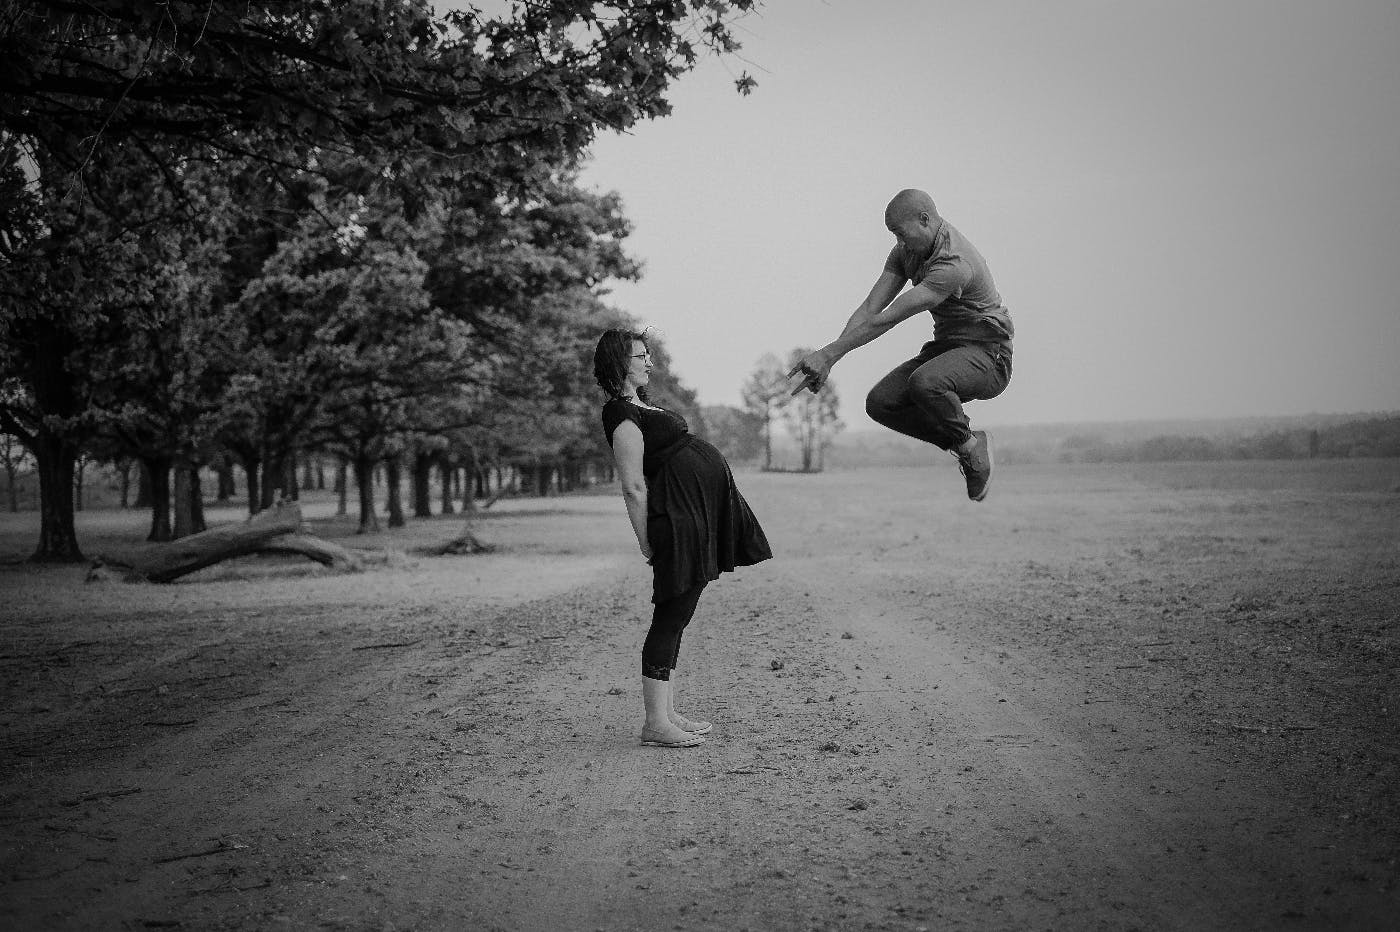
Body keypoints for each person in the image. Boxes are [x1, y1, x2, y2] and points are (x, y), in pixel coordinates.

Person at [595, 328, 772, 749]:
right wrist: (646, 542)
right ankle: (655, 723)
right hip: (675, 521)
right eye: (641, 356)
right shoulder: (621, 416)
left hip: (693, 516)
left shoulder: (640, 407)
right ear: (621, 362)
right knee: (670, 617)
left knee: (680, 617)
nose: (649, 362)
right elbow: (633, 487)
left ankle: (667, 713)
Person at [788, 188, 1013, 501]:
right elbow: (871, 307)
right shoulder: (906, 252)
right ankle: (968, 443)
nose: (899, 243)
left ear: (924, 220)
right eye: (893, 235)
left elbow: (890, 317)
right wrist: (830, 359)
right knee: (881, 402)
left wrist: (827, 354)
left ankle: (971, 448)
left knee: (925, 383)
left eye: (901, 233)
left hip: (989, 355)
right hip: (948, 347)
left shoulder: (953, 263)